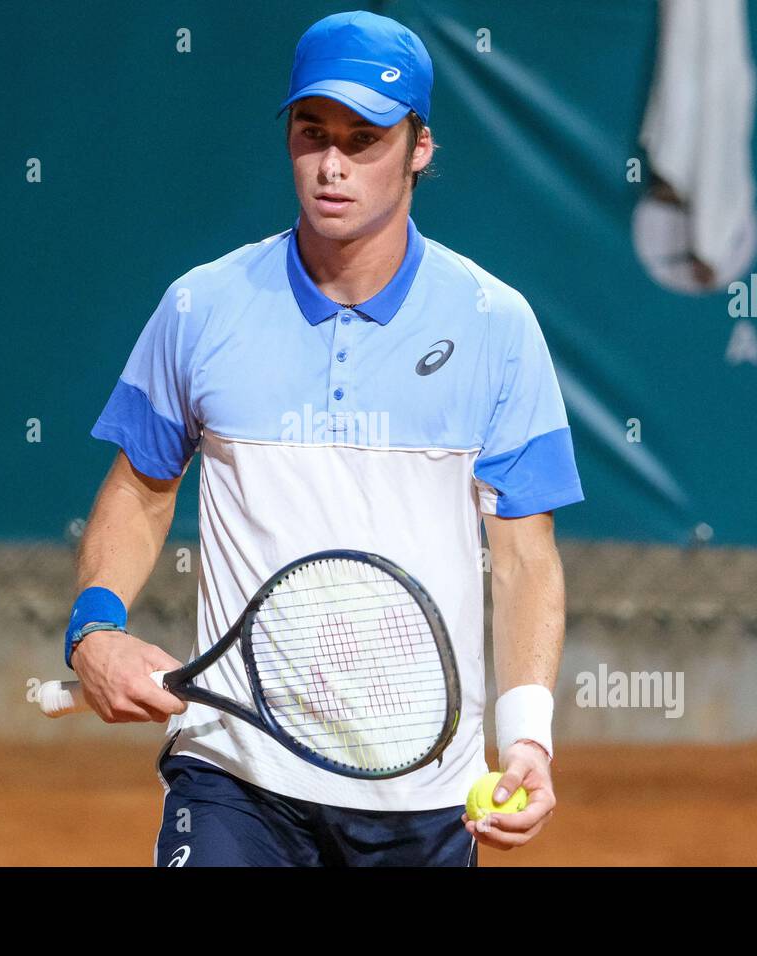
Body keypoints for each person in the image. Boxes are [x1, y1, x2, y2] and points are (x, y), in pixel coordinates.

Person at [65, 10, 584, 867]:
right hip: (234, 775)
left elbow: (526, 556)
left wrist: (528, 732)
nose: (333, 165)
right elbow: (141, 487)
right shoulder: (201, 306)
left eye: (365, 138)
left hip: (423, 796)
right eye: (313, 134)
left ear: (420, 147)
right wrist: (95, 629)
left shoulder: (498, 324)